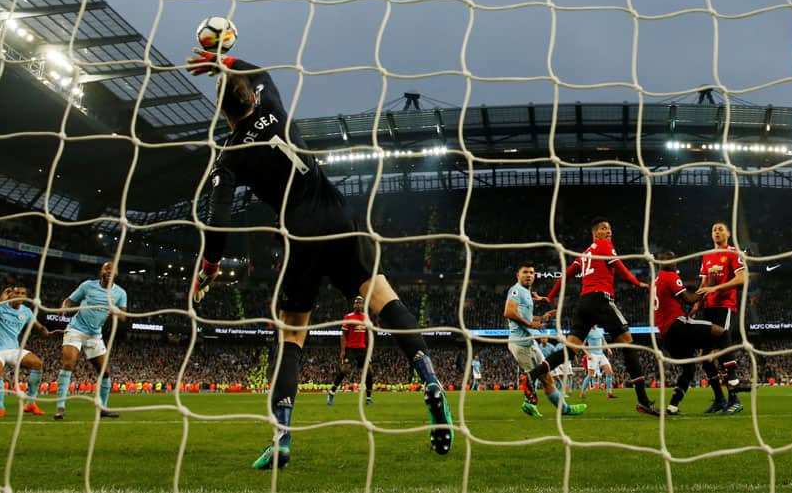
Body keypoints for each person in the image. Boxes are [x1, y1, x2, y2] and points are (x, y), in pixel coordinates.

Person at [186, 47, 453, 469]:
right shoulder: (271, 103)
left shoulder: (229, 155)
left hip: (300, 232)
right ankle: (431, 381)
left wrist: (210, 266)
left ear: (223, 114)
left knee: (292, 336)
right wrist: (225, 59)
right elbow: (261, 72)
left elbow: (217, 218)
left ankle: (284, 437)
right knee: (384, 299)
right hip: (340, 214)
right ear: (253, 97)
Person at [528, 217, 660, 415]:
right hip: (601, 299)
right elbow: (620, 267)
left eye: (610, 228)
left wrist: (551, 296)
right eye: (604, 228)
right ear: (595, 233)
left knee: (571, 350)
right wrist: (636, 282)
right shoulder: (605, 246)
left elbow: (567, 274)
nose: (609, 232)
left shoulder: (584, 254)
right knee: (628, 344)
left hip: (584, 304)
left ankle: (533, 374)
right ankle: (643, 400)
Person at [652, 251, 734, 415]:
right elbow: (690, 299)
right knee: (721, 332)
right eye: (669, 259)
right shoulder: (670, 276)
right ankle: (734, 381)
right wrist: (710, 281)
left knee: (689, 369)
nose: (673, 261)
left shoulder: (656, 279)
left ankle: (672, 407)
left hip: (666, 336)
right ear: (661, 263)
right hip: (678, 326)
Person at [504, 262, 585, 418]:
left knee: (546, 375)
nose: (528, 275)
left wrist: (542, 318)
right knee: (533, 377)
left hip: (530, 342)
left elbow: (525, 316)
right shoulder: (515, 291)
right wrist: (530, 324)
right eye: (525, 272)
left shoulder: (526, 292)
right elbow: (509, 312)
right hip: (519, 344)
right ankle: (532, 404)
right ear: (518, 275)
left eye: (531, 273)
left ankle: (562, 408)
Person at [54, 262, 127, 421]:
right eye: (106, 268)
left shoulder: (120, 293)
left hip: (95, 335)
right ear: (101, 271)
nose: (108, 271)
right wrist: (64, 307)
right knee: (69, 364)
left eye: (112, 269)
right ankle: (60, 408)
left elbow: (123, 316)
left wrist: (115, 312)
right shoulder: (87, 286)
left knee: (105, 372)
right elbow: (69, 300)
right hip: (76, 329)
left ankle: (103, 408)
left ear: (117, 273)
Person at [0, 286, 58, 418]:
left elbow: (38, 327)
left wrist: (47, 333)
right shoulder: (0, 306)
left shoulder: (26, 312)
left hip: (13, 349)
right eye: (17, 292)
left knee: (37, 364)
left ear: (25, 297)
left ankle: (30, 403)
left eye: (23, 293)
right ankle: (0, 408)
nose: (19, 295)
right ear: (11, 294)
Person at [693, 222, 745, 415]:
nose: (717, 232)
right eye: (714, 229)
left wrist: (716, 288)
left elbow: (741, 278)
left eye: (720, 229)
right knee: (705, 357)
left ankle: (735, 399)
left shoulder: (733, 252)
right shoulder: (707, 255)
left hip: (725, 306)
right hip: (709, 307)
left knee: (723, 350)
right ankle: (720, 399)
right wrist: (697, 304)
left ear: (728, 234)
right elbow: (704, 283)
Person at [327, 296, 374, 406]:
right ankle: (332, 392)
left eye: (360, 303)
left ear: (363, 305)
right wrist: (343, 350)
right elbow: (343, 335)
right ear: (354, 305)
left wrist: (368, 348)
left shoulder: (366, 317)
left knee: (369, 371)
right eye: (356, 303)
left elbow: (367, 334)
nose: (358, 305)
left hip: (362, 348)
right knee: (345, 370)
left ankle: (368, 398)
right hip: (350, 348)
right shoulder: (348, 317)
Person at [580, 325, 616, 400]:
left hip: (601, 354)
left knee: (609, 372)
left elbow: (603, 340)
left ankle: (609, 393)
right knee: (590, 375)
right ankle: (582, 393)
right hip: (592, 355)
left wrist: (608, 348)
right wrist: (588, 354)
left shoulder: (600, 330)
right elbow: (582, 345)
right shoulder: (588, 332)